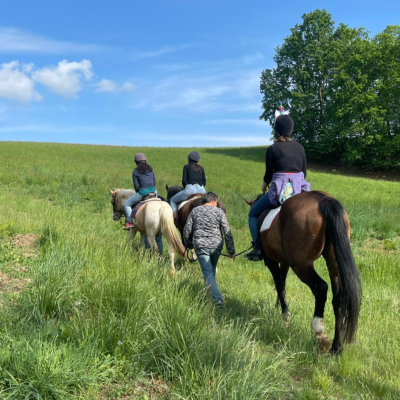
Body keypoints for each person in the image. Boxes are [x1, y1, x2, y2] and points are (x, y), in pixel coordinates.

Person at [245, 112, 311, 261]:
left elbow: (269, 174)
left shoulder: (272, 149)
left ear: (277, 129)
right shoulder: (300, 148)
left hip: (279, 190)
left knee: (253, 214)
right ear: (291, 129)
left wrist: (264, 185)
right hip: (298, 188)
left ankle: (257, 248)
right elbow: (304, 173)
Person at [183, 192, 236, 308]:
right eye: (216, 202)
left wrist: (188, 243)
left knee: (207, 273)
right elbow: (227, 232)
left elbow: (187, 229)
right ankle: (209, 296)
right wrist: (231, 250)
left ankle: (217, 299)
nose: (216, 205)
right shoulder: (219, 212)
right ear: (212, 200)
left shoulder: (195, 211)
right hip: (216, 246)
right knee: (211, 271)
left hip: (201, 246)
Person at [170, 151, 206, 223]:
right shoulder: (201, 168)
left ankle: (175, 219)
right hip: (202, 191)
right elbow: (204, 182)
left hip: (190, 190)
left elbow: (184, 181)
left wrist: (184, 188)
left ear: (189, 159)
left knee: (172, 200)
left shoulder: (186, 167)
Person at [123, 153, 157, 230]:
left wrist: (139, 192)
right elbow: (154, 183)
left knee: (126, 204)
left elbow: (136, 185)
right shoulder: (150, 169)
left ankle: (130, 222)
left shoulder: (135, 171)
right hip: (154, 191)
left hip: (143, 192)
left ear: (136, 162)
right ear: (145, 161)